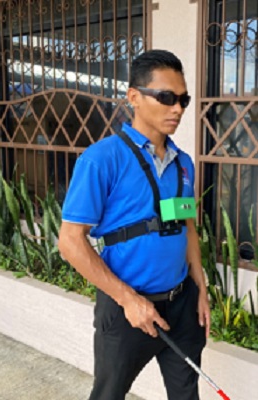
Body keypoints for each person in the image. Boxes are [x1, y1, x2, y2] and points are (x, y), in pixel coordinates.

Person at [58, 49, 210, 400]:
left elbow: (187, 226)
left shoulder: (183, 163)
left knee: (186, 394)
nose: (178, 109)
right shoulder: (101, 159)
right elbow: (70, 242)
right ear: (134, 98)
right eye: (167, 97)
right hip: (127, 311)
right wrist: (128, 300)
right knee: (109, 394)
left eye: (183, 99)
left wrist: (200, 288)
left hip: (182, 306)